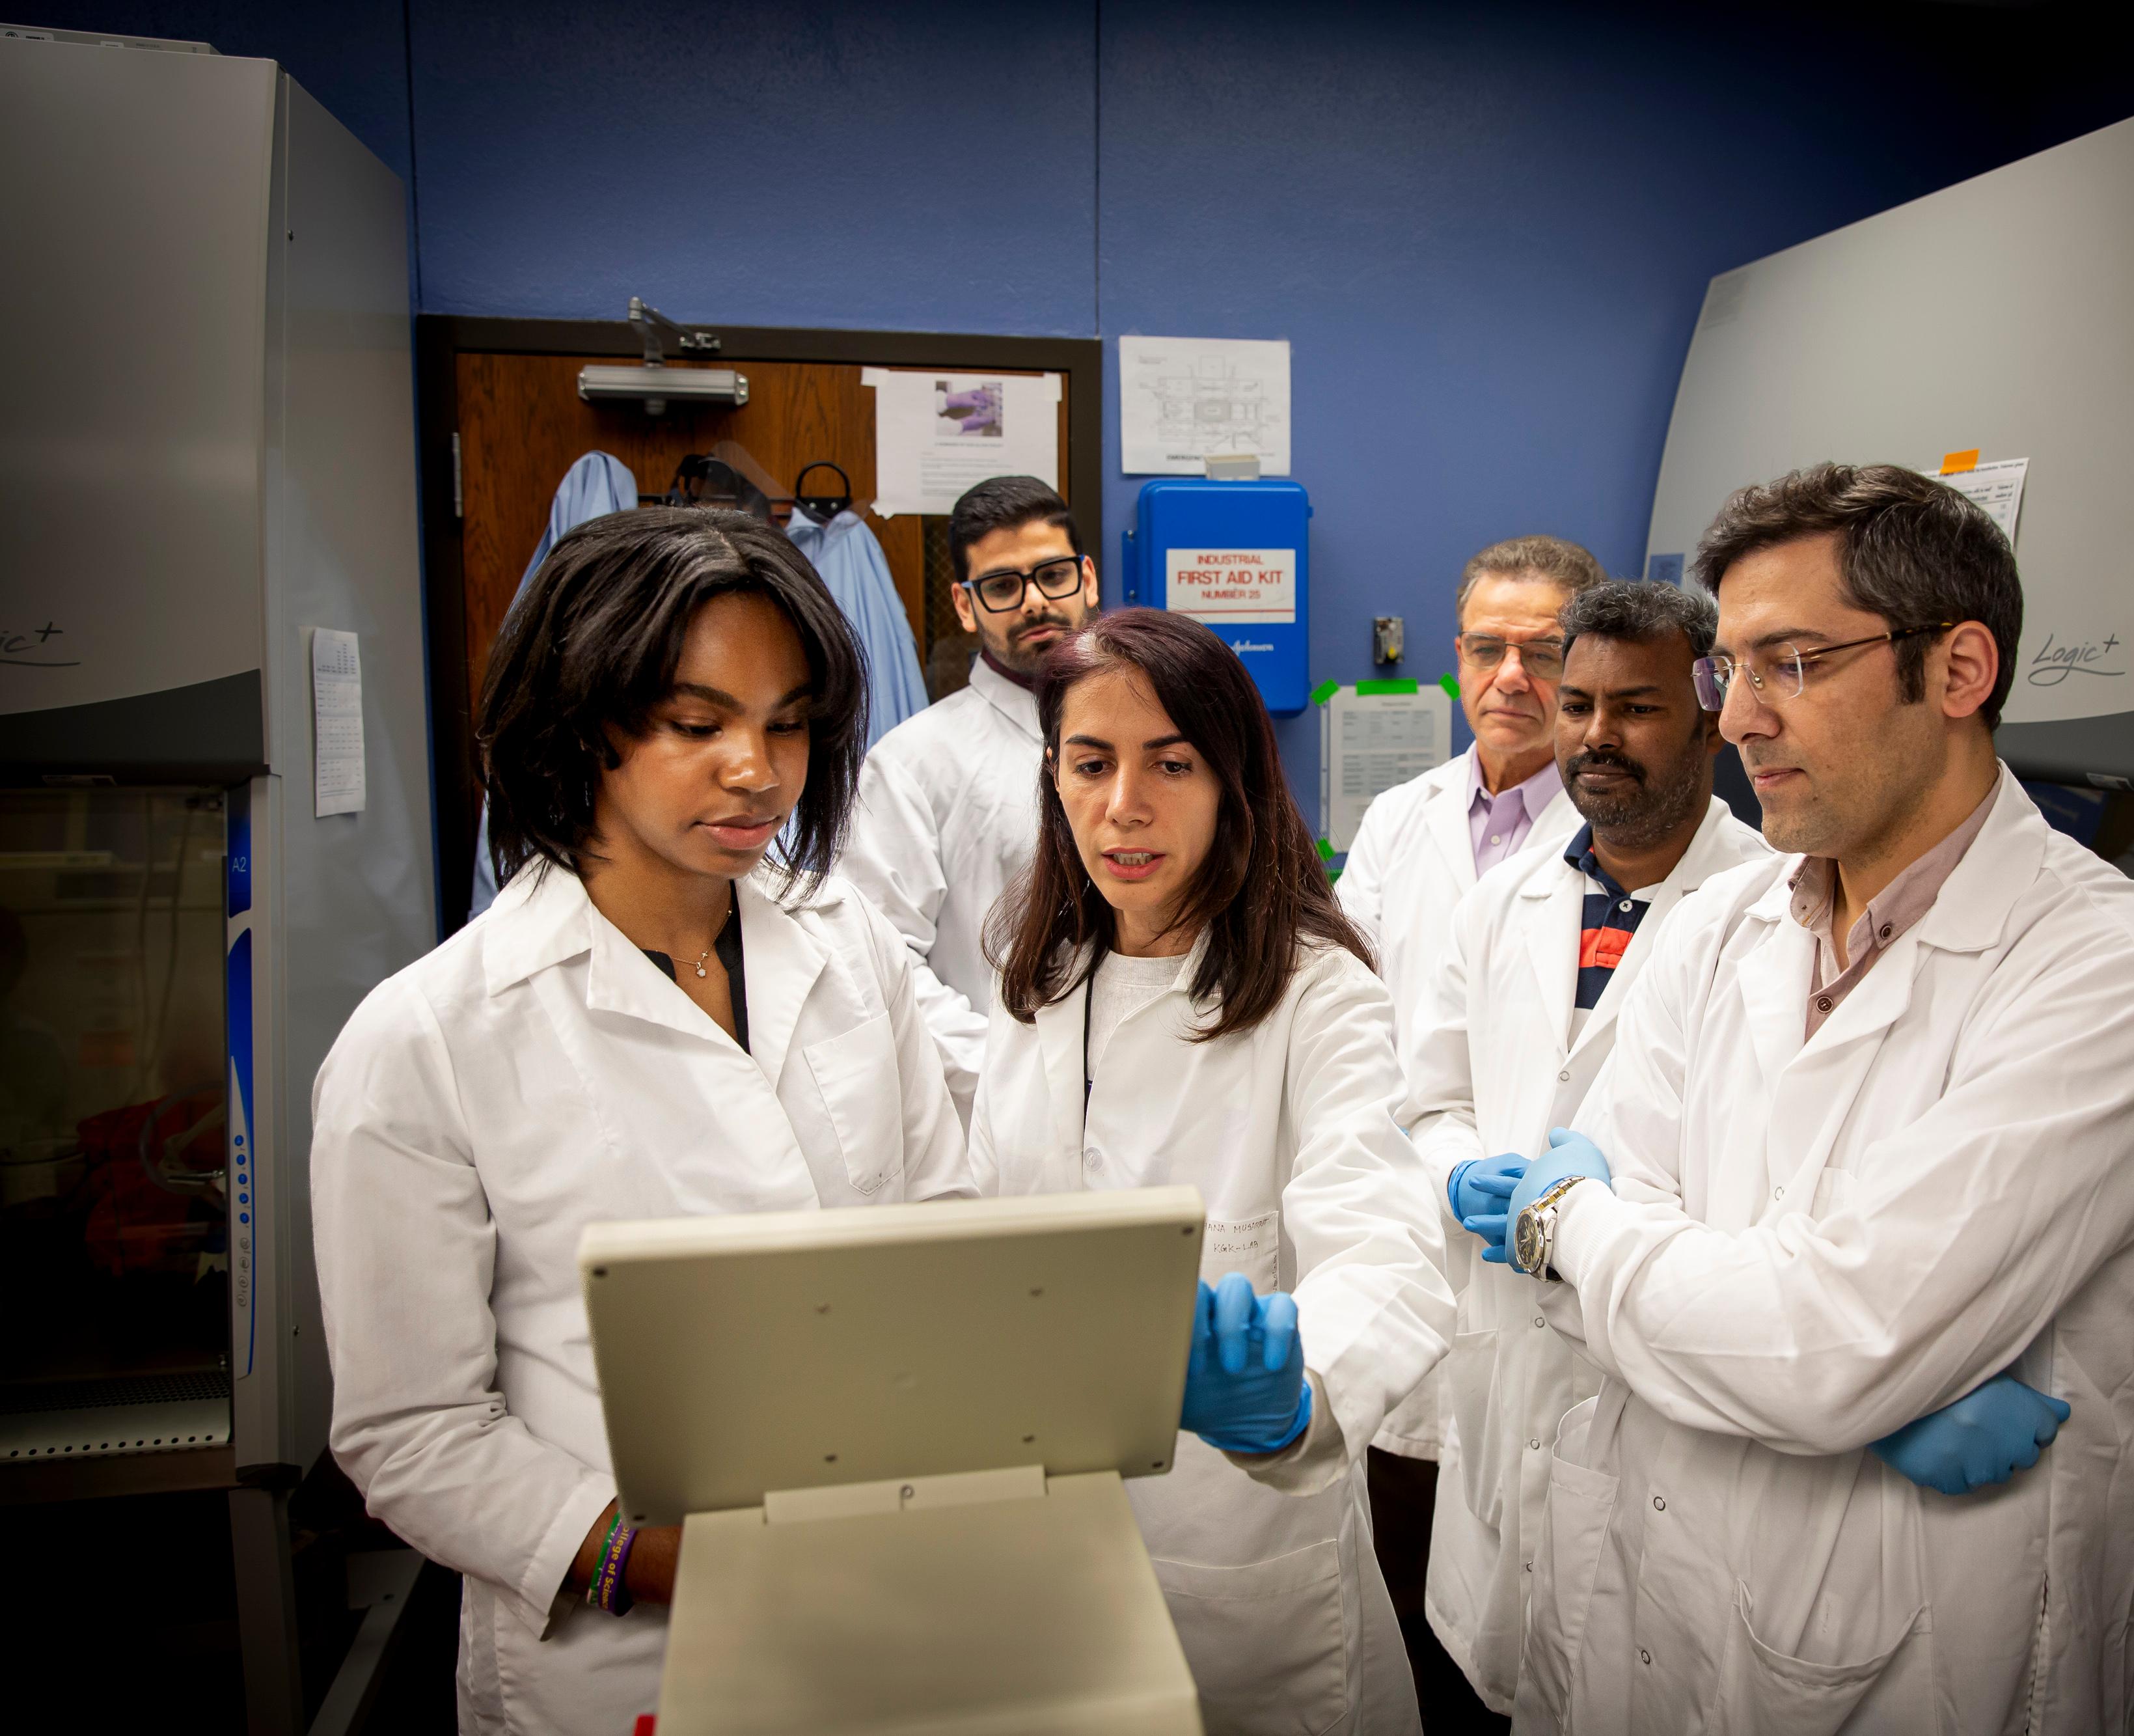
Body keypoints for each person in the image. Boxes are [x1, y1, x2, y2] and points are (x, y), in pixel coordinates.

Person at [1475, 464, 2134, 1733]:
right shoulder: (1717, 924)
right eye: (1731, 668)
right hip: (1641, 1607)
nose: (1742, 717)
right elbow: (1648, 1317)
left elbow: (1827, 1346)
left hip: (1922, 1656)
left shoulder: (2122, 984)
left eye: (1792, 663)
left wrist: (1575, 1221)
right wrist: (1804, 1340)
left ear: (1955, 670)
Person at [310, 509, 970, 1735]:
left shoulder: (849, 947)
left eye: (787, 722)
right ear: (583, 728)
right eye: (696, 722)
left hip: (883, 1584)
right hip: (624, 1655)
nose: (758, 769)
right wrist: (675, 1562)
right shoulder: (430, 1037)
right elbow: (413, 1432)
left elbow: (938, 1218)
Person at [969, 609, 1455, 1735]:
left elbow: (1384, 1240)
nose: (1124, 804)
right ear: (1053, 775)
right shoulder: (1039, 977)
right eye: (1091, 763)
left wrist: (1293, 1396)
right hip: (1041, 1541)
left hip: (1240, 1549)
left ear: (1234, 778)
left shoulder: (1312, 989)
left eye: (1171, 763)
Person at [1403, 580, 1769, 1727]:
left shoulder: (1772, 910)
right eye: (1578, 704)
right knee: (1488, 1673)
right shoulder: (1500, 904)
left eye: (1638, 707)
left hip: (1659, 1375)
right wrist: (1459, 1176)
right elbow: (1426, 1104)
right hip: (1504, 1351)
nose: (1597, 736)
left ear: (1712, 713)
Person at [1332, 534, 1598, 1707]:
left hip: (1534, 1246)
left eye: (1543, 651)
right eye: (1488, 647)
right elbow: (1351, 1007)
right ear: (1454, 658)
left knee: (1526, 1591)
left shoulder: (1620, 834)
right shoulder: (1402, 817)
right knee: (1395, 1560)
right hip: (1394, 1215)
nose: (1511, 676)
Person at [837, 475, 1099, 1117]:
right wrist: (1012, 1078)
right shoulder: (911, 764)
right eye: (1003, 586)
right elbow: (878, 958)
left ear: (1087, 579)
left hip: (1151, 1103)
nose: (1034, 602)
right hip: (996, 1114)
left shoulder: (1155, 736)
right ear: (964, 604)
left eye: (1052, 575)